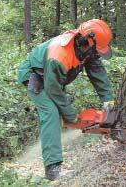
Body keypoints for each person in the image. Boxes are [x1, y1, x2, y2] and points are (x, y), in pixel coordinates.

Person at [17, 19, 115, 180]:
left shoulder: (86, 49)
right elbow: (52, 88)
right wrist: (71, 115)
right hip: (35, 76)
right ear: (88, 41)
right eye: (96, 50)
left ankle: (55, 140)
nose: (97, 54)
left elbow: (97, 70)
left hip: (52, 77)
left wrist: (107, 99)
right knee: (51, 113)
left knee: (61, 111)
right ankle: (53, 169)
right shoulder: (59, 55)